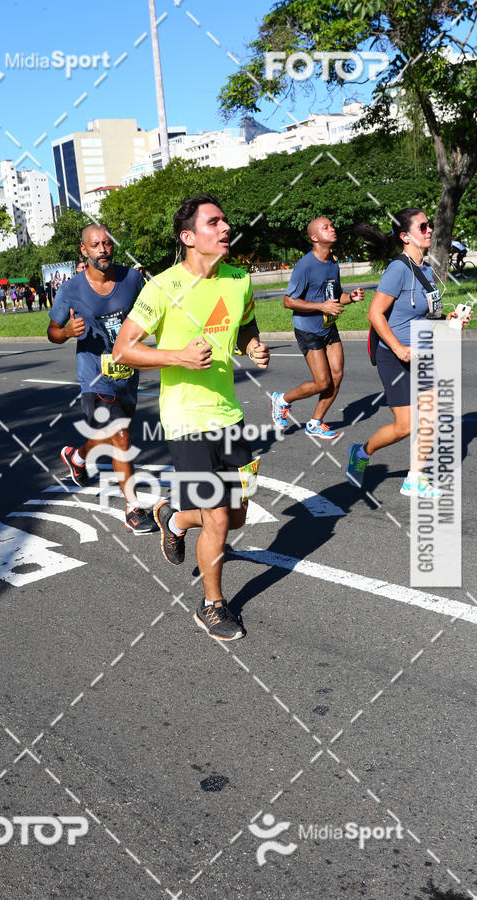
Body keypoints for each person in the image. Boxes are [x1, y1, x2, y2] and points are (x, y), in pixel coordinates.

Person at [113, 194, 270, 642]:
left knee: (237, 516)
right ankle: (211, 606)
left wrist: (251, 346)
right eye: (213, 222)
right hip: (185, 417)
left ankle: (176, 520)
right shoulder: (162, 287)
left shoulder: (238, 279)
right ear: (188, 237)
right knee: (218, 516)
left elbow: (245, 324)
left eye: (225, 220)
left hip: (230, 414)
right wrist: (177, 356)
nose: (225, 228)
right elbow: (123, 349)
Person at [347, 208, 470, 497]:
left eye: (431, 225)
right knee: (405, 426)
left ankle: (414, 479)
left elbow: (423, 316)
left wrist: (449, 322)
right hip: (394, 353)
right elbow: (374, 314)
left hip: (423, 352)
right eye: (423, 226)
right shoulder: (398, 269)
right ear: (405, 236)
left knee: (430, 416)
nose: (430, 230)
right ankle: (362, 452)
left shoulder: (426, 269)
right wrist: (399, 348)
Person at [47, 224, 157, 534]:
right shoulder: (70, 289)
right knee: (121, 436)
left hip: (126, 372)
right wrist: (68, 332)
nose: (103, 249)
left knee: (113, 436)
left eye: (107, 243)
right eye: (95, 245)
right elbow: (52, 331)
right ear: (84, 251)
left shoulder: (132, 279)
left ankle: (77, 457)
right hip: (94, 376)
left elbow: (152, 312)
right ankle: (133, 509)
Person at [270, 217, 364, 440]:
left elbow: (334, 296)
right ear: (314, 237)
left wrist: (350, 297)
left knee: (337, 376)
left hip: (328, 327)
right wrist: (322, 306)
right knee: (322, 381)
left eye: (332, 225)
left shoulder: (332, 262)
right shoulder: (305, 265)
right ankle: (282, 400)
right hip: (307, 329)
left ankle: (315, 422)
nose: (333, 229)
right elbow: (288, 301)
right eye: (326, 227)